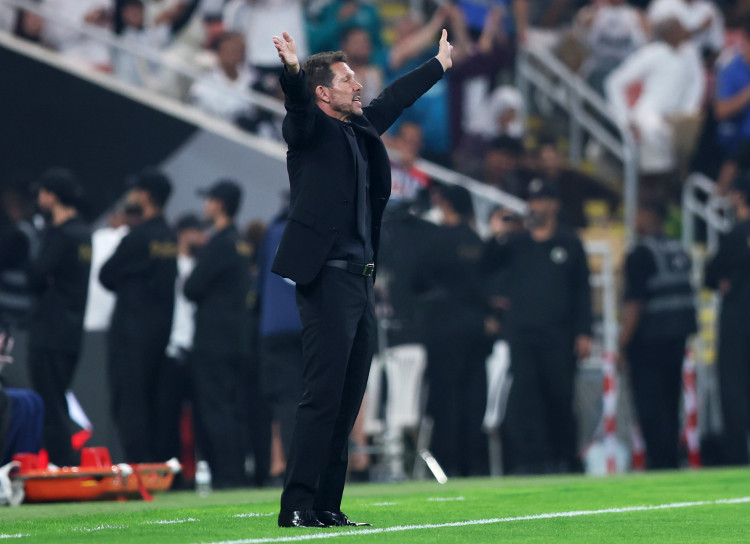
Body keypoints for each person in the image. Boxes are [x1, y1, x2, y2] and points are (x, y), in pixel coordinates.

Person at [270, 27, 453, 528]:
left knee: (349, 399)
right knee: (323, 395)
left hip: (360, 281)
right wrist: (293, 71)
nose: (358, 85)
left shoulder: (360, 128)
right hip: (327, 279)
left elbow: (395, 97)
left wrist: (438, 64)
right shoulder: (308, 130)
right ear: (322, 92)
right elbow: (297, 107)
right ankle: (297, 505)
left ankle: (327, 504)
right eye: (347, 79)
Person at [482, 178, 592, 474]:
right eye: (531, 201)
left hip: (559, 335)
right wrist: (496, 236)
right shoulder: (516, 244)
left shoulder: (569, 243)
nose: (535, 206)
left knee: (560, 396)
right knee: (526, 399)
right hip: (523, 334)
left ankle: (565, 458)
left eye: (541, 200)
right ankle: (533, 461)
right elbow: (484, 267)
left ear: (554, 205)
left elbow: (582, 290)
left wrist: (584, 332)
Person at [99, 169, 177, 463]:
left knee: (129, 402)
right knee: (153, 403)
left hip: (130, 334)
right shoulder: (169, 236)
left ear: (145, 195)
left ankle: (138, 467)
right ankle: (156, 467)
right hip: (159, 334)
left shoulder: (138, 237)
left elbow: (106, 274)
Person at [413, 185, 490, 477]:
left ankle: (447, 463)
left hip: (443, 325)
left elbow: (417, 280)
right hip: (475, 326)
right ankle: (474, 462)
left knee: (445, 396)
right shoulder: (476, 241)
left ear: (445, 204)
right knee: (473, 394)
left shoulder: (434, 239)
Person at [184, 180, 252, 489]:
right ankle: (234, 472)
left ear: (219, 205)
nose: (205, 206)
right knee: (231, 408)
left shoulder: (220, 243)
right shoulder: (240, 243)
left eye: (209, 200)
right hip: (235, 339)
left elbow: (192, 287)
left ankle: (227, 476)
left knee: (215, 410)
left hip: (213, 340)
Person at [619, 200, 696, 469]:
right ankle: (670, 458)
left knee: (650, 405)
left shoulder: (640, 254)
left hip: (648, 341)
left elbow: (635, 304)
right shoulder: (678, 250)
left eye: (639, 213)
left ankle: (658, 460)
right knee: (671, 403)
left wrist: (622, 343)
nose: (634, 219)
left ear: (651, 215)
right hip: (677, 338)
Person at [26, 169, 91, 468]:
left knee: (50, 405)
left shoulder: (61, 235)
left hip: (49, 331)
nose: (39, 199)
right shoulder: (83, 234)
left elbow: (36, 275)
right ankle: (65, 464)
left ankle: (64, 467)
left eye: (42, 193)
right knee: (57, 401)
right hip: (71, 331)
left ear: (51, 196)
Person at [605, 17, 704, 181]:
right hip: (650, 119)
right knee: (653, 172)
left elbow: (696, 84)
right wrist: (625, 119)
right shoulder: (652, 53)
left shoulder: (689, 53)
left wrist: (688, 111)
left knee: (679, 169)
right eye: (679, 28)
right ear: (668, 34)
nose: (684, 31)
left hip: (677, 119)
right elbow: (615, 82)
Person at [704, 174, 750, 465]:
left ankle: (738, 457)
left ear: (739, 197)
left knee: (734, 388)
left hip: (739, 319)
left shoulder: (735, 235)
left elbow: (711, 274)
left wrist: (724, 281)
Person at [156, 214, 205, 467]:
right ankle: (173, 471)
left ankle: (200, 469)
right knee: (168, 416)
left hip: (196, 346)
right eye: (198, 232)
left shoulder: (201, 265)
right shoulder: (169, 264)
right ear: (184, 234)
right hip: (172, 346)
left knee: (201, 415)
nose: (203, 238)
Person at [189, 32, 256, 124]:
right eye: (229, 50)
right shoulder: (204, 74)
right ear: (219, 52)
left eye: (238, 51)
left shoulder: (251, 81)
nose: (233, 55)